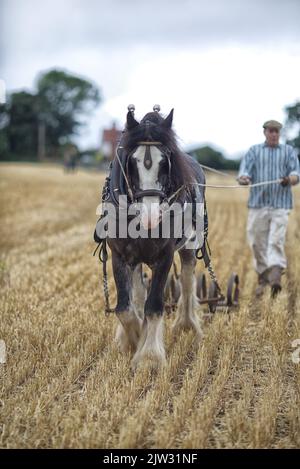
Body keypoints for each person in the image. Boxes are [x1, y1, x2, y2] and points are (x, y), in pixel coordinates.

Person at [237, 120, 300, 297]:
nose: (274, 134)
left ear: (279, 134)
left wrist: (289, 180)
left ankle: (275, 279)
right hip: (258, 205)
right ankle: (264, 277)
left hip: (281, 205)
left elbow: (296, 174)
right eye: (271, 131)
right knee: (256, 242)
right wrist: (244, 179)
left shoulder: (288, 152)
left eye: (277, 132)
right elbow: (244, 173)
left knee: (275, 240)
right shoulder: (254, 151)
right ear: (264, 132)